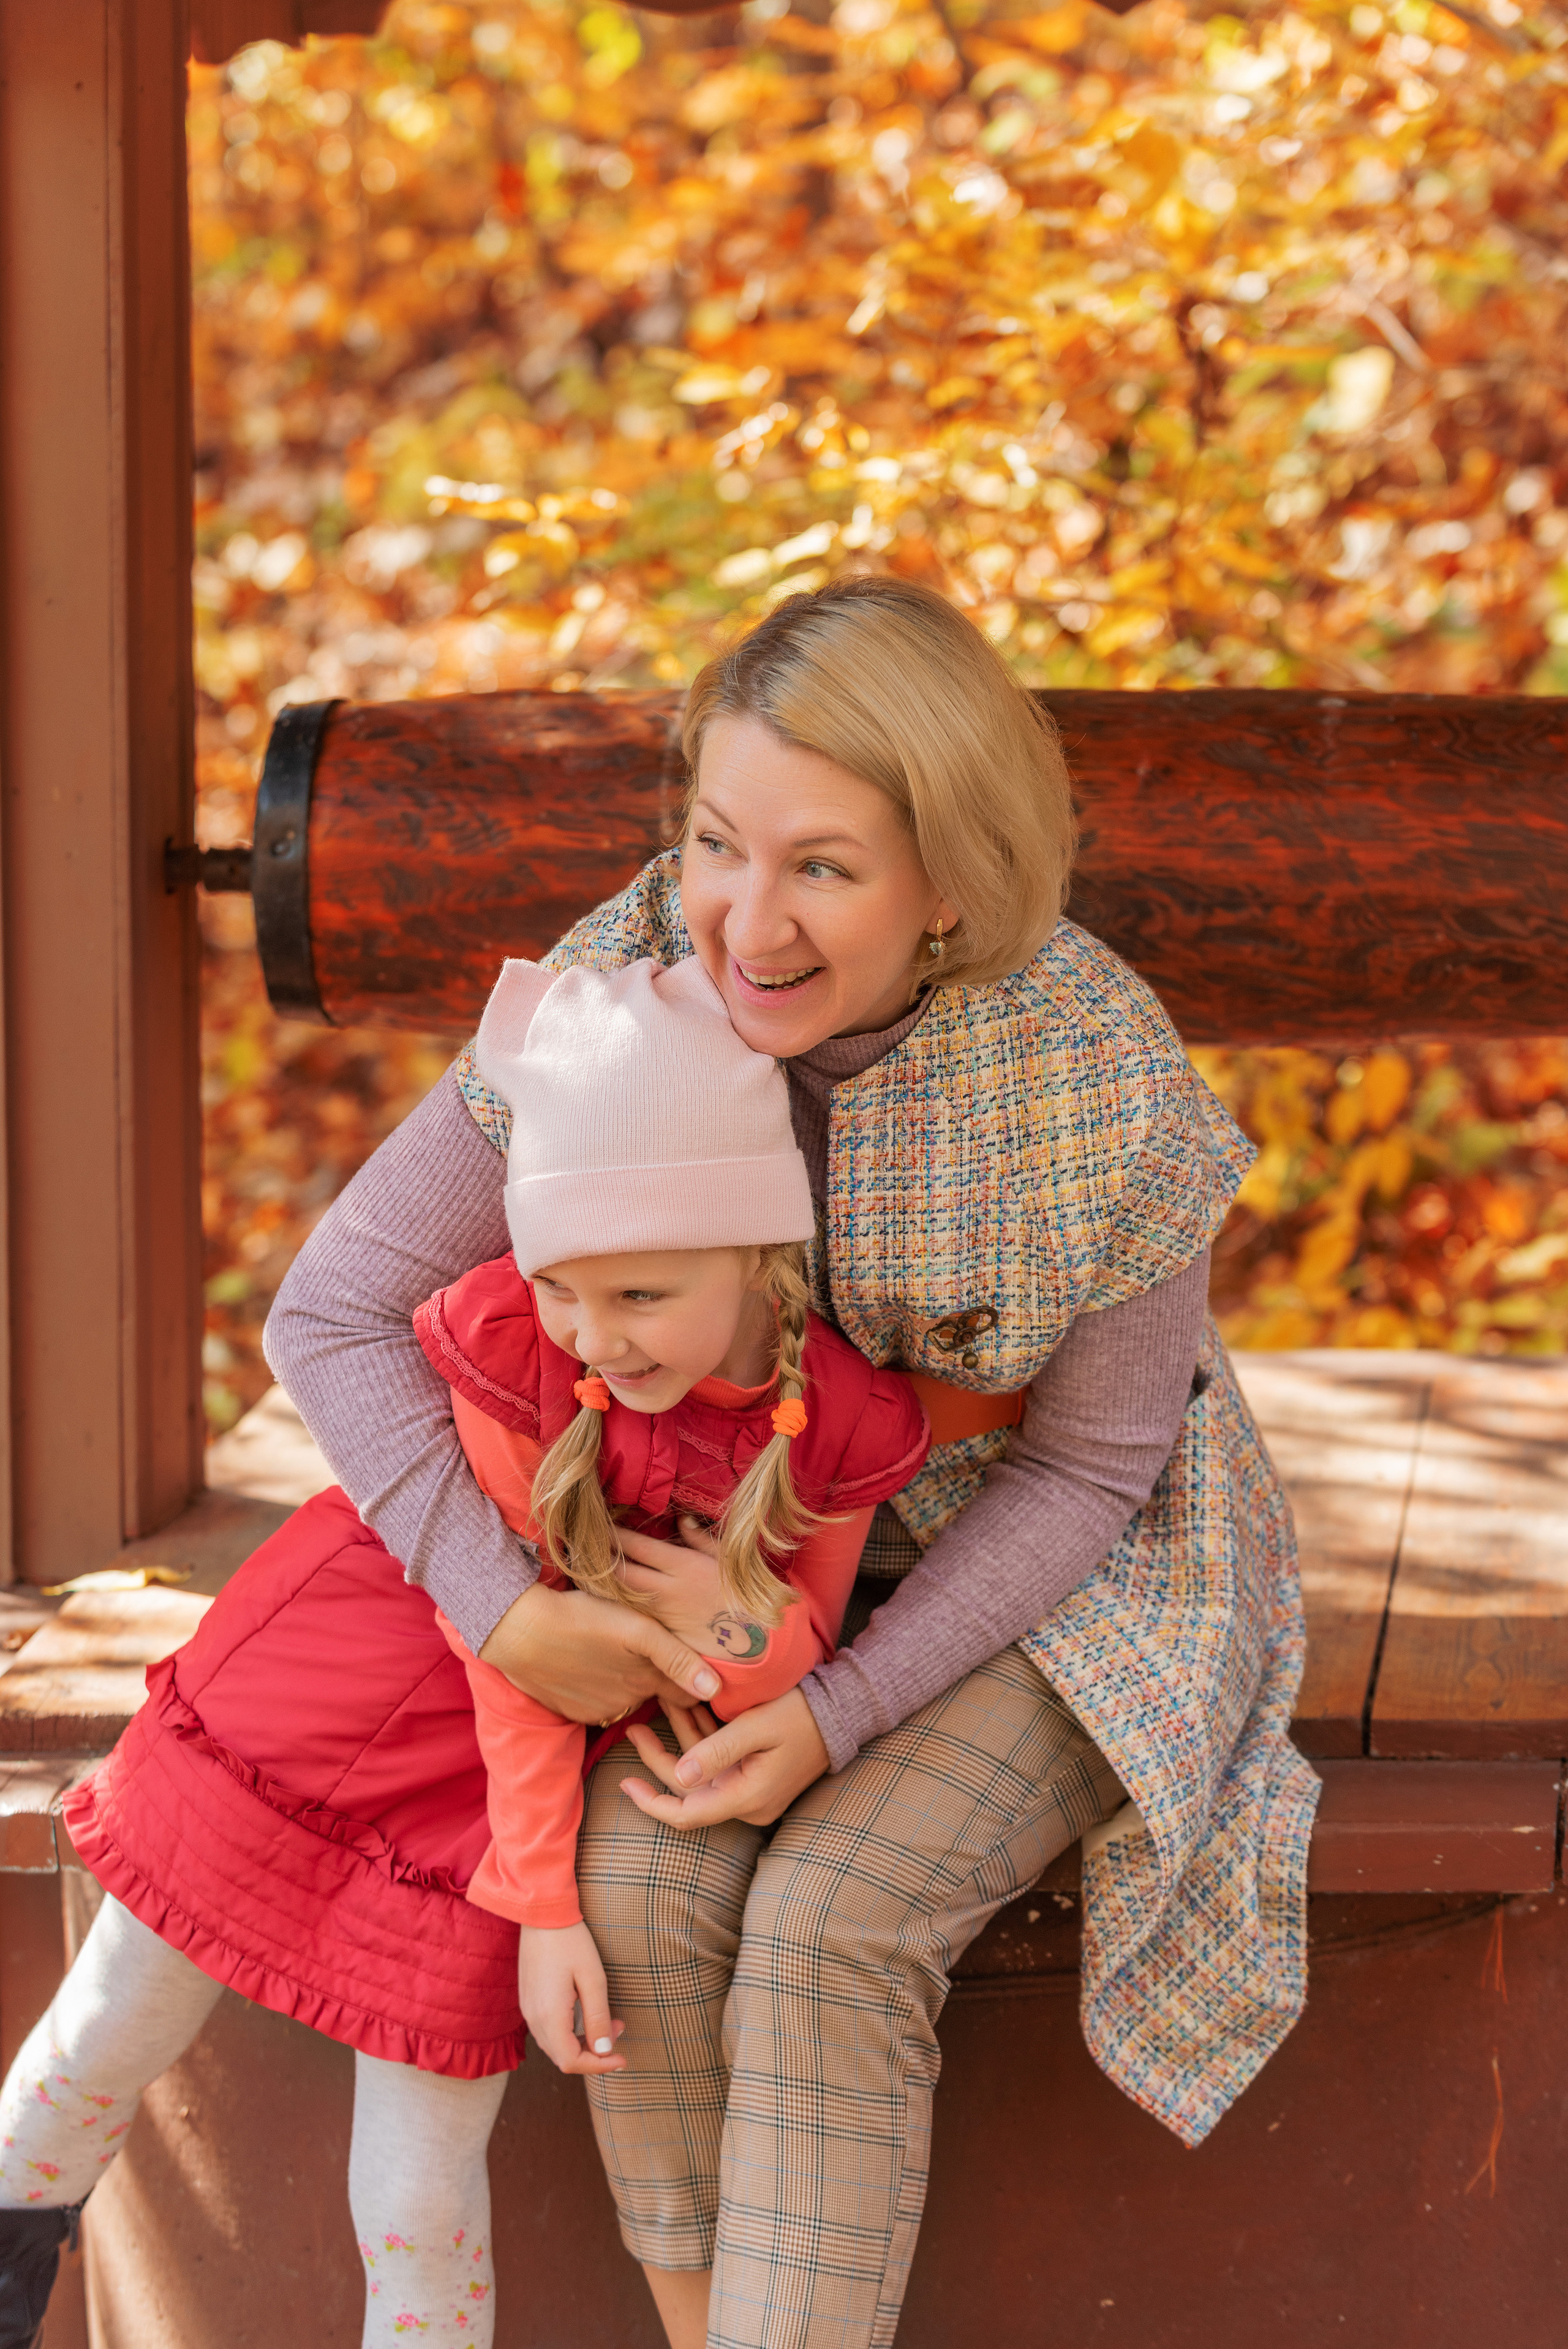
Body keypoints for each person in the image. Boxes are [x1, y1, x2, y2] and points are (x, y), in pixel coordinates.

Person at [257, 575, 1320, 2349]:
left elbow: (1096, 1468)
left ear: (955, 883)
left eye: (824, 864)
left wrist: (842, 1710)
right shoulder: (612, 998)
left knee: (834, 1910)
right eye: (716, 842)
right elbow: (337, 1307)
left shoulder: (1095, 1074)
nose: (747, 919)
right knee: (649, 1883)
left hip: (1057, 1569)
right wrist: (502, 1605)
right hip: (738, 1550)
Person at [0, 952, 926, 2349]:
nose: (596, 1342)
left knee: (420, 2190)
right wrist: (548, 1905)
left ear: (760, 1249)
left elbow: (794, 1639)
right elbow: (511, 1644)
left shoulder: (834, 1421)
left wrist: (737, 1640)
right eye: (567, 1288)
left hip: (476, 1817)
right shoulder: (520, 1344)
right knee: (104, 2036)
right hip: (325, 1695)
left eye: (642, 1297)